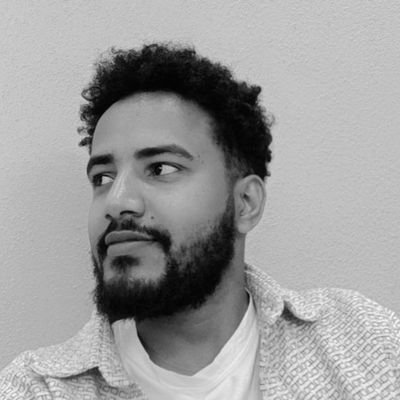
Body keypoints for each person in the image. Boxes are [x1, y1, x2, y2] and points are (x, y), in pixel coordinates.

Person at [0, 43, 399, 400]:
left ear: (245, 203)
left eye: (161, 168)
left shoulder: (363, 339)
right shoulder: (36, 388)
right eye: (102, 178)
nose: (117, 201)